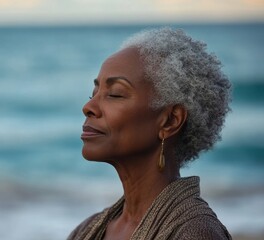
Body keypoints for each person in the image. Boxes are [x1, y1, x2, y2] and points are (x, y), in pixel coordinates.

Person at [67, 28, 232, 240]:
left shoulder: (195, 233)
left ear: (170, 121)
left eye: (115, 94)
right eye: (94, 93)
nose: (89, 106)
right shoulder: (86, 231)